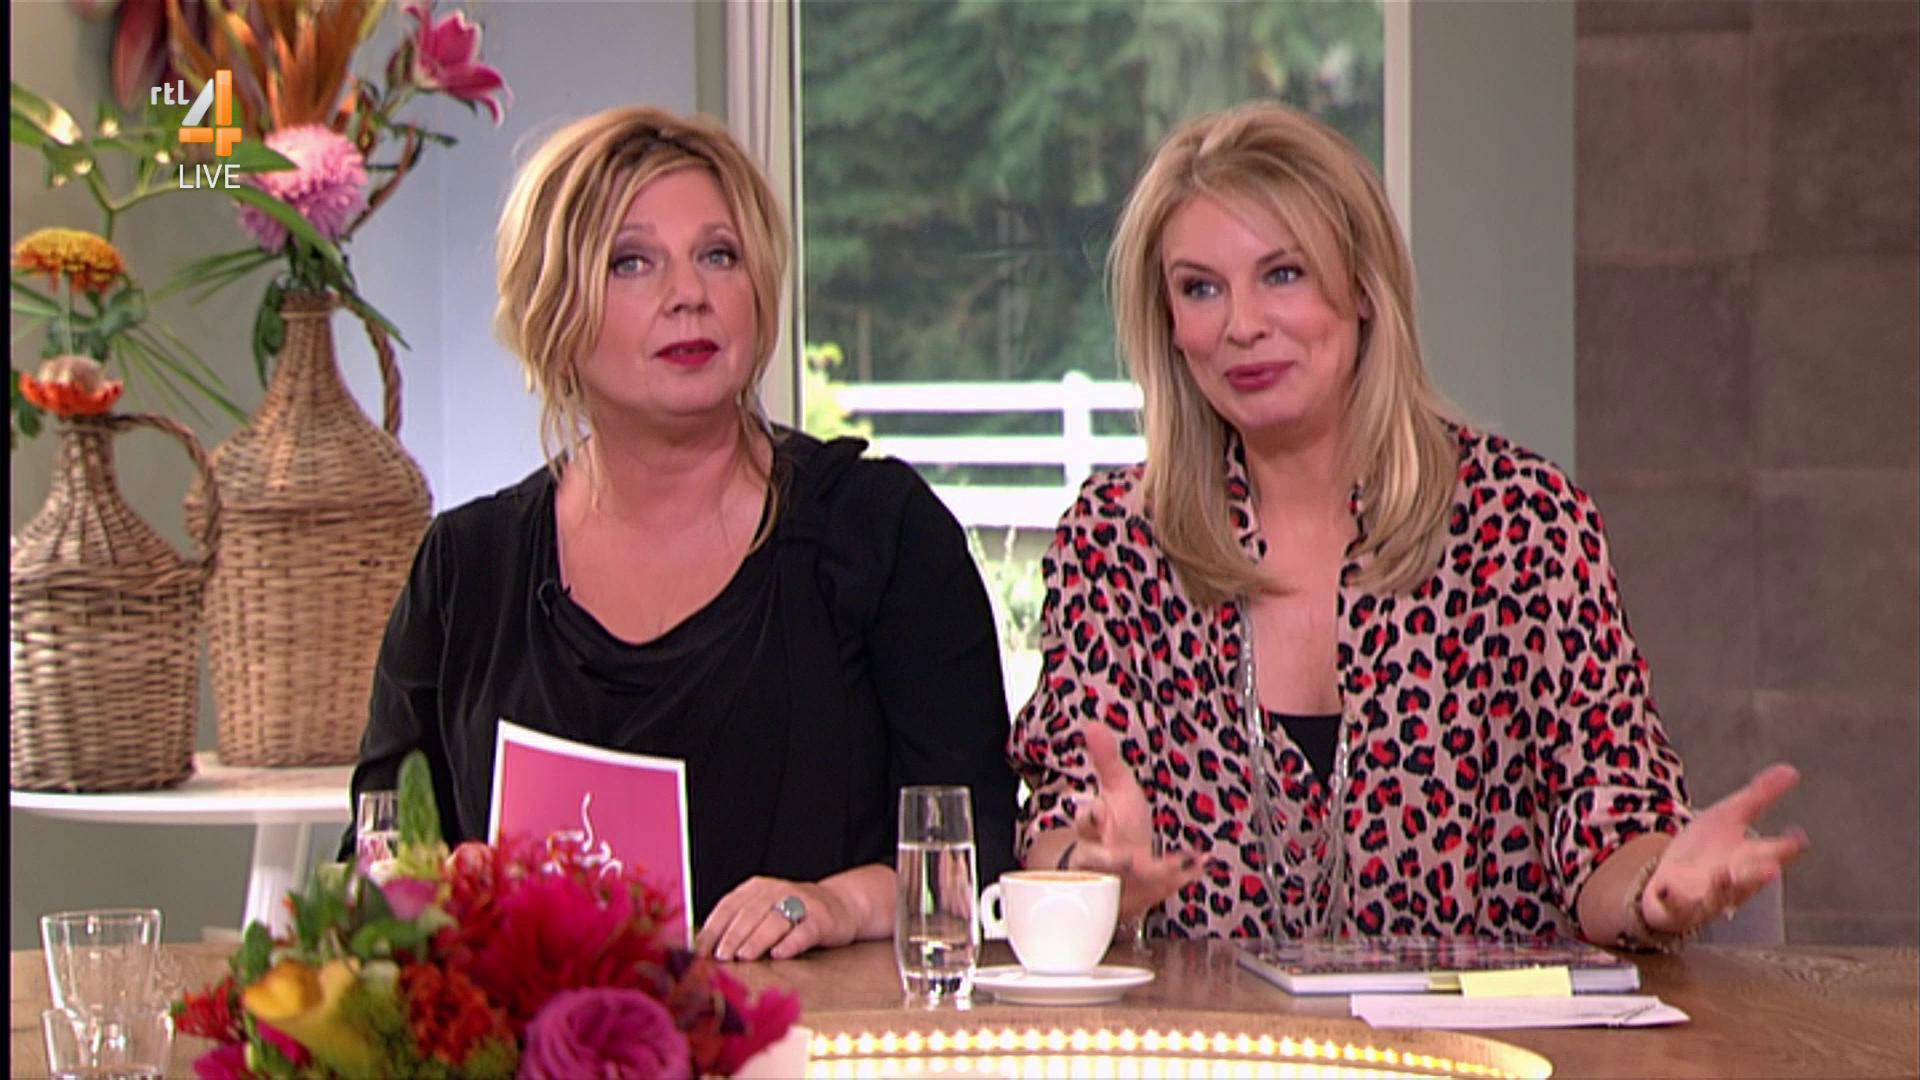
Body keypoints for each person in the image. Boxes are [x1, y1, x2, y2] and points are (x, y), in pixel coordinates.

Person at [1008, 101, 1807, 949]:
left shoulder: (1522, 523)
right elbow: (1060, 822)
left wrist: (1655, 891)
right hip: (1212, 1029)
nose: (1241, 325)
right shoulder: (1117, 541)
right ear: (1168, 324)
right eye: (1200, 288)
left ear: (1361, 286)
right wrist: (1092, 877)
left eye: (1283, 274)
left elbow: (1610, 827)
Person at [347, 105, 1017, 962]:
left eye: (719, 255)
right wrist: (439, 888)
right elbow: (371, 862)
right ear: (556, 310)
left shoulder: (881, 534)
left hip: (821, 1028)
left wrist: (834, 905)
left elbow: (978, 843)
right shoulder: (466, 570)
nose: (689, 294)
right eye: (632, 262)